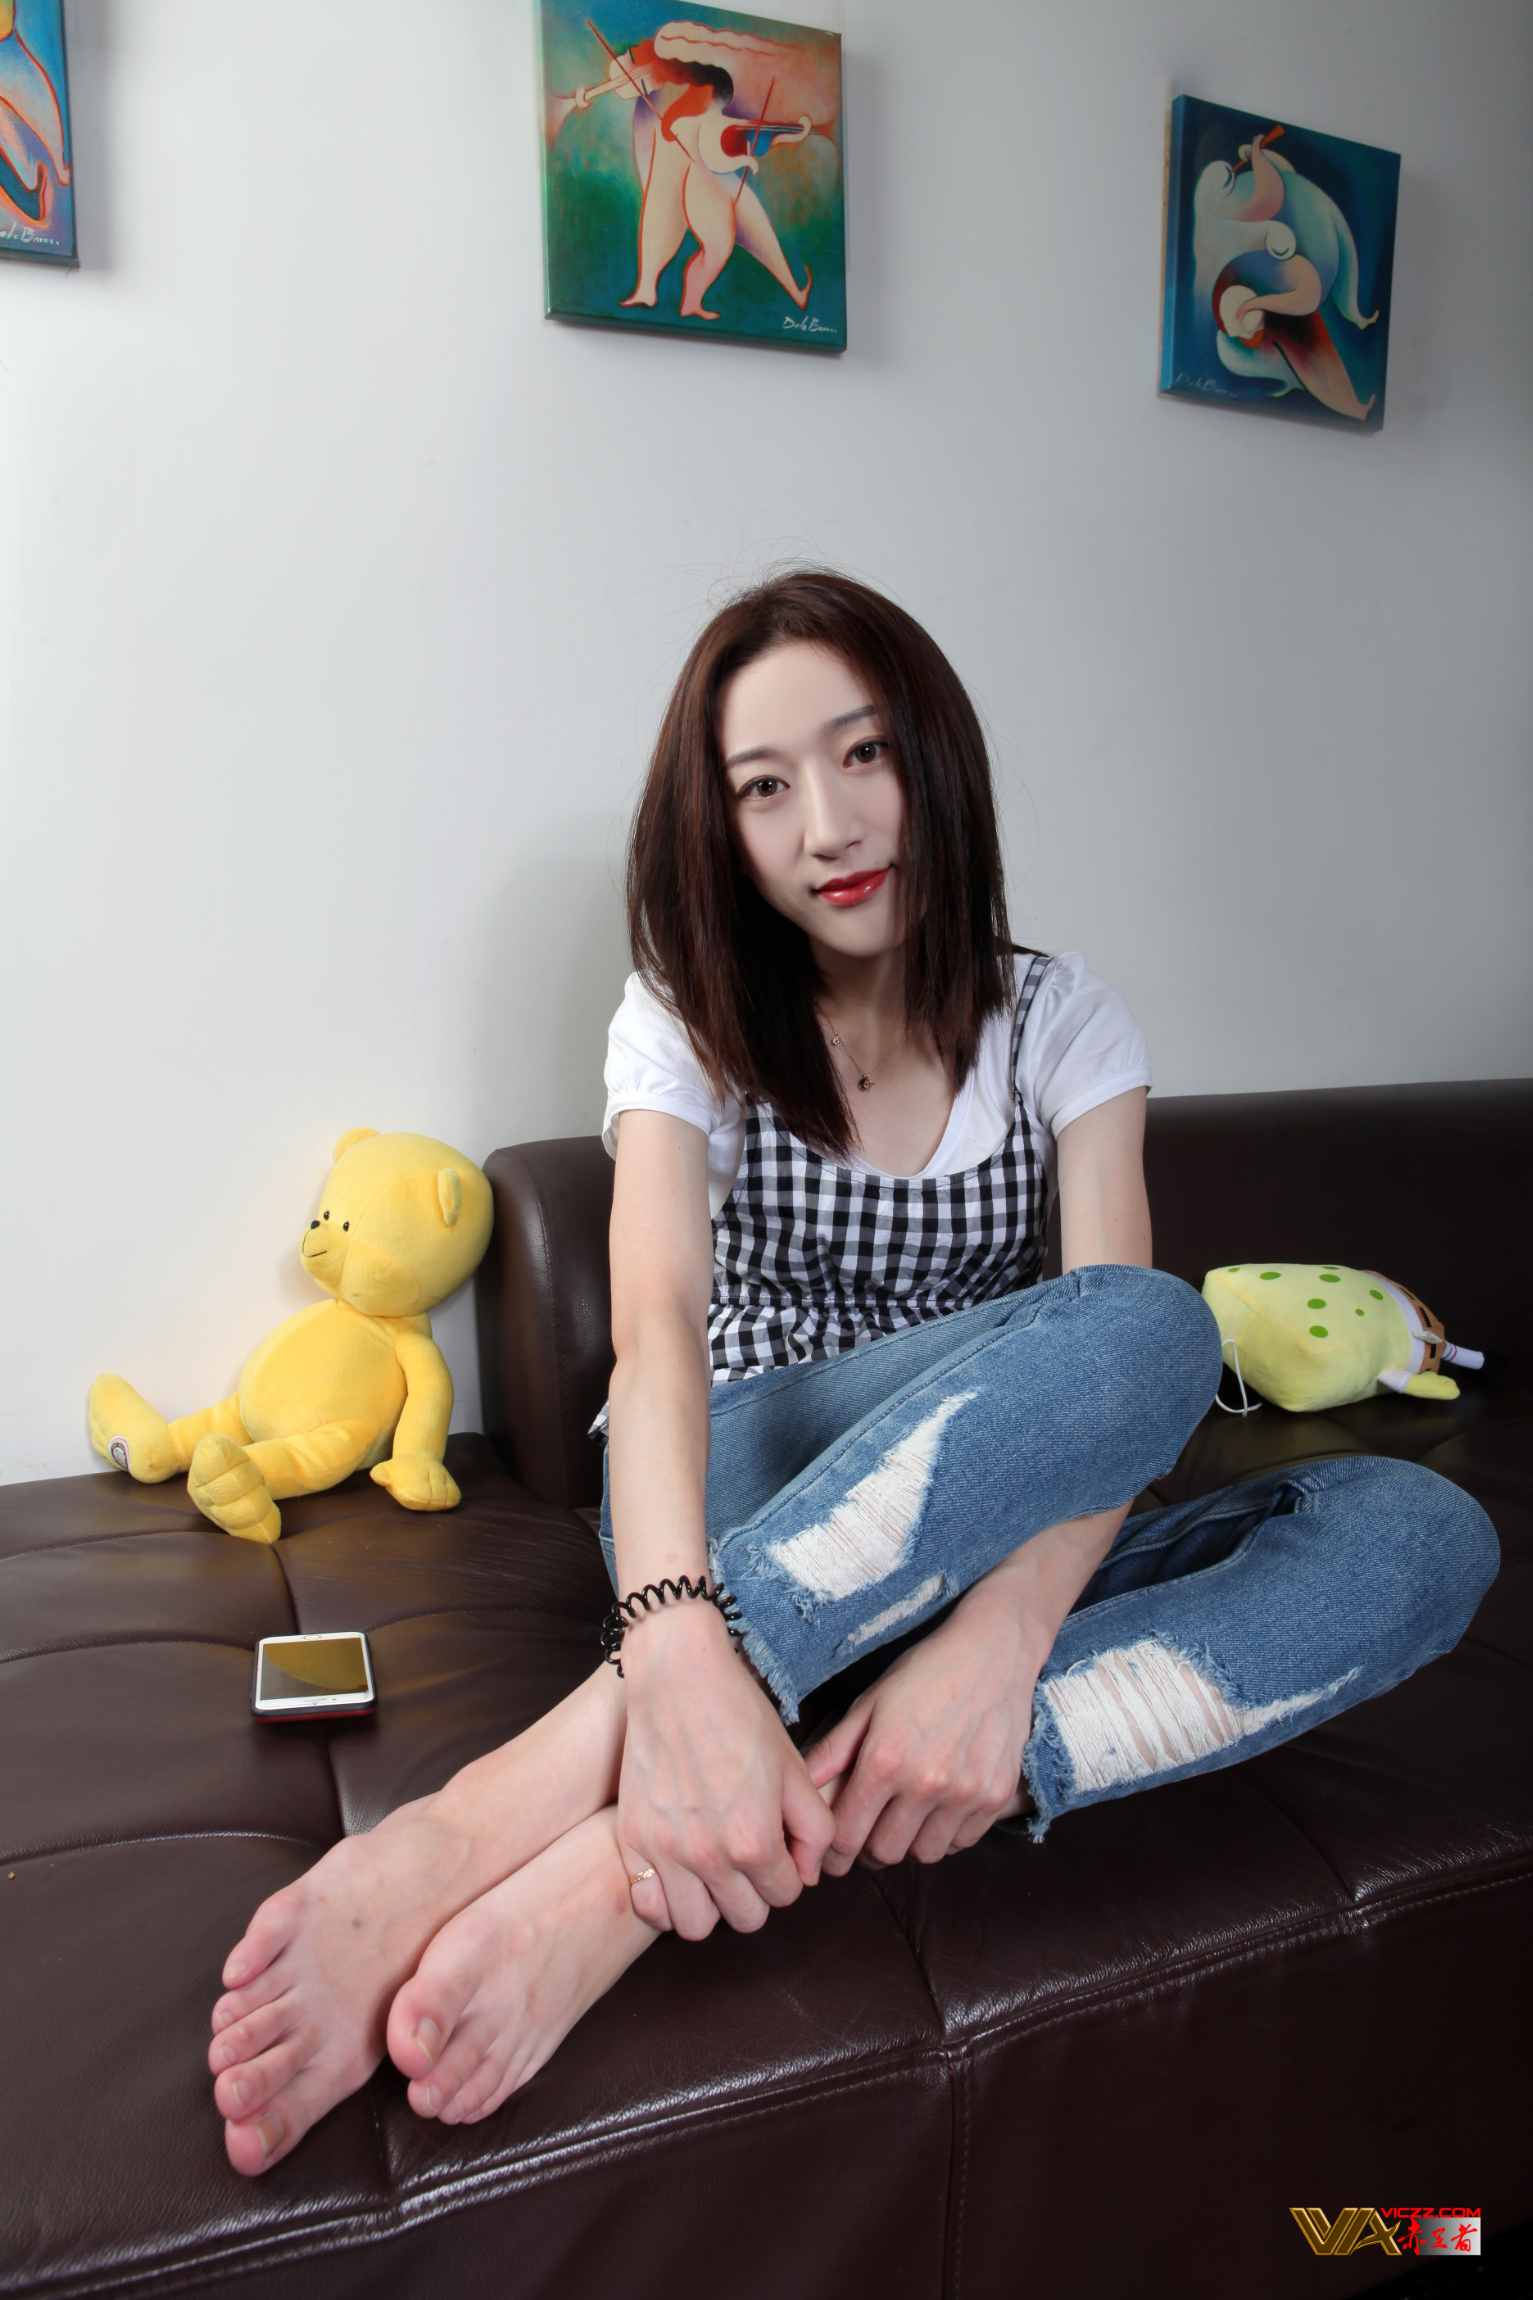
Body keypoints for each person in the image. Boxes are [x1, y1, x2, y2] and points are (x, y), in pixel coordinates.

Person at [205, 565, 1501, 2178]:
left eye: (862, 753)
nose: (826, 826)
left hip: (986, 1525)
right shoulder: (684, 1016)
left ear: (931, 760)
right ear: (720, 831)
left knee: (1402, 1522)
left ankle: (627, 1868)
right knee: (1150, 1326)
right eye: (763, 788)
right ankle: (504, 1814)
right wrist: (674, 1637)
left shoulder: (1064, 1023)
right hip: (737, 1486)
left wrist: (998, 1648)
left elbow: (1116, 1367)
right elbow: (656, 1336)